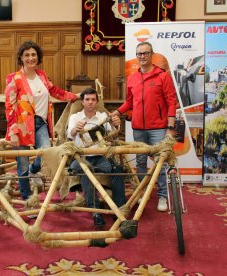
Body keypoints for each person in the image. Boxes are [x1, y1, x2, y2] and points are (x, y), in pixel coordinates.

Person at [4, 41, 78, 203]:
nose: (31, 58)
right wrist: (13, 132)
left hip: (40, 123)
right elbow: (9, 107)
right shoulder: (14, 78)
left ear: (38, 57)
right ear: (21, 58)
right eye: (27, 55)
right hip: (22, 126)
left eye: (33, 54)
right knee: (21, 164)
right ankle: (27, 198)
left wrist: (73, 96)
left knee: (46, 153)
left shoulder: (42, 76)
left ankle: (34, 170)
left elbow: (54, 91)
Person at [112, 41, 177, 212]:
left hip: (158, 128)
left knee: (159, 162)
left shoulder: (162, 76)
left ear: (152, 55)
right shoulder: (132, 78)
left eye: (145, 53)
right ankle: (141, 193)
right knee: (140, 163)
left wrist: (170, 126)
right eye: (139, 54)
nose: (142, 57)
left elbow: (171, 101)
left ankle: (162, 196)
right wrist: (117, 112)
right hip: (138, 128)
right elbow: (129, 102)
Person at [67, 88, 126, 228]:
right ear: (82, 102)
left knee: (118, 169)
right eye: (87, 99)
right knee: (87, 170)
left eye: (93, 99)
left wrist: (117, 125)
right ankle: (96, 212)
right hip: (80, 157)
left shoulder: (102, 117)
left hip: (101, 157)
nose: (90, 102)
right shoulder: (75, 117)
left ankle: (118, 209)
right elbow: (70, 136)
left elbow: (113, 135)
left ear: (97, 102)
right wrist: (76, 128)